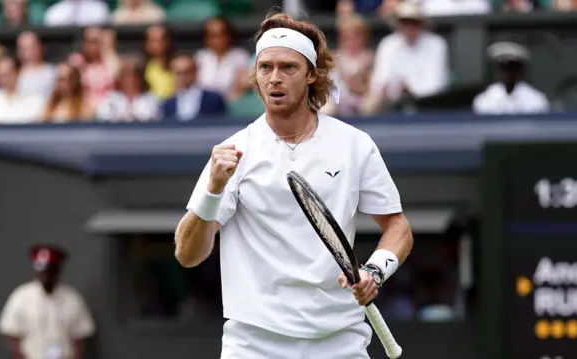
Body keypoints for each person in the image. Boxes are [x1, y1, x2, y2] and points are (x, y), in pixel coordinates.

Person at [174, 12, 414, 359]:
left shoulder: (354, 144)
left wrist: (375, 271)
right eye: (265, 67)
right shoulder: (233, 153)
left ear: (311, 74)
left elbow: (398, 227)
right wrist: (212, 192)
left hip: (340, 342)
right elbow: (187, 254)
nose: (275, 79)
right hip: (254, 345)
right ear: (255, 75)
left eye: (288, 67)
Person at [0, 244, 95, 359]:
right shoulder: (21, 297)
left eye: (50, 272)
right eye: (42, 272)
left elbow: (80, 337)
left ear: (58, 272)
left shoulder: (72, 299)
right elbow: (11, 335)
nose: (46, 277)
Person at [472, 41, 549, 114]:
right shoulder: (484, 99)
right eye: (502, 67)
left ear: (520, 70)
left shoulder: (536, 99)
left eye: (512, 67)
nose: (507, 72)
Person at [161, 53, 226, 121]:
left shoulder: (214, 99)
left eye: (188, 71)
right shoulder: (168, 104)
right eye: (179, 73)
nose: (183, 76)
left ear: (196, 72)